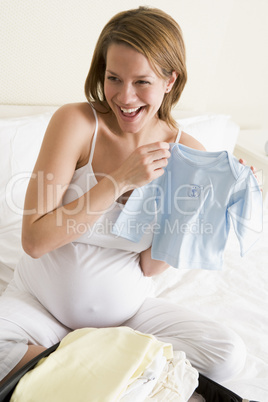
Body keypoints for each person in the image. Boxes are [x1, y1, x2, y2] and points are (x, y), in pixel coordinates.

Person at [0, 6, 247, 385]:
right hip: (38, 308)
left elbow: (151, 266)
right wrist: (118, 181)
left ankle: (71, 372)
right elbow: (35, 240)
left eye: (142, 82)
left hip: (125, 322)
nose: (125, 97)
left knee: (227, 354)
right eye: (113, 78)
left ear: (170, 81)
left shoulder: (188, 153)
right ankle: (113, 375)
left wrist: (202, 206)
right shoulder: (77, 122)